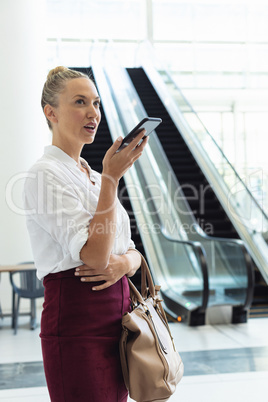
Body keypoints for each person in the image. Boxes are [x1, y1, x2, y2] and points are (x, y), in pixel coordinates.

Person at [23, 66, 148, 402]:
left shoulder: (91, 176)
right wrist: (112, 178)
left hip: (119, 325)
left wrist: (123, 263)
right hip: (78, 327)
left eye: (96, 103)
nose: (93, 113)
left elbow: (132, 250)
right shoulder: (44, 175)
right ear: (51, 112)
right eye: (80, 102)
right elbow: (93, 256)